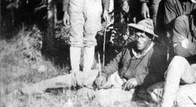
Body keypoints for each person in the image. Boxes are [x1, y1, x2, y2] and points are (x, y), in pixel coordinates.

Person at [21, 19, 167, 101]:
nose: (139, 39)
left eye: (143, 36)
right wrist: (103, 74)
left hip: (129, 89)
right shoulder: (129, 46)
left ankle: (74, 95)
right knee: (77, 77)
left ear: (150, 38)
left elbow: (157, 75)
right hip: (114, 77)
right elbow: (114, 63)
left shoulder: (155, 52)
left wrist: (138, 80)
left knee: (98, 99)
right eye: (137, 34)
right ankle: (38, 87)